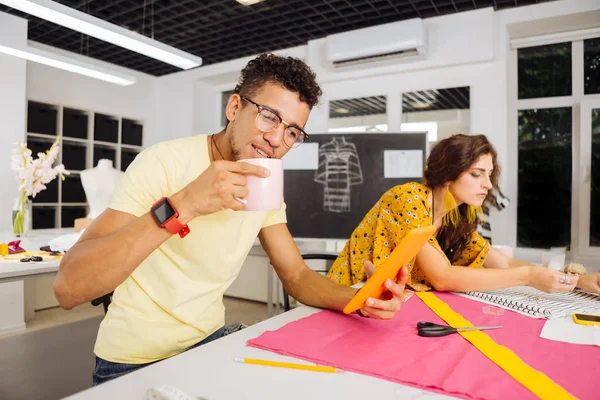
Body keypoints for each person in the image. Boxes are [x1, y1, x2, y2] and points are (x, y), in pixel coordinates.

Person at [53, 53, 408, 385]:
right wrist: (184, 205)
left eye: (292, 131)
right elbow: (69, 288)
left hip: (209, 344)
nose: (276, 140)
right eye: (269, 116)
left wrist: (359, 300)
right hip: (133, 361)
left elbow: (296, 275)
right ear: (234, 106)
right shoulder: (162, 162)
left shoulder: (265, 182)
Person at [327, 134, 600, 299]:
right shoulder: (407, 198)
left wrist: (577, 282)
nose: (488, 185)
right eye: (477, 174)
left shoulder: (456, 216)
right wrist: (528, 276)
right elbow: (442, 277)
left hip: (379, 304)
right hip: (343, 299)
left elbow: (500, 261)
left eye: (489, 175)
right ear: (448, 172)